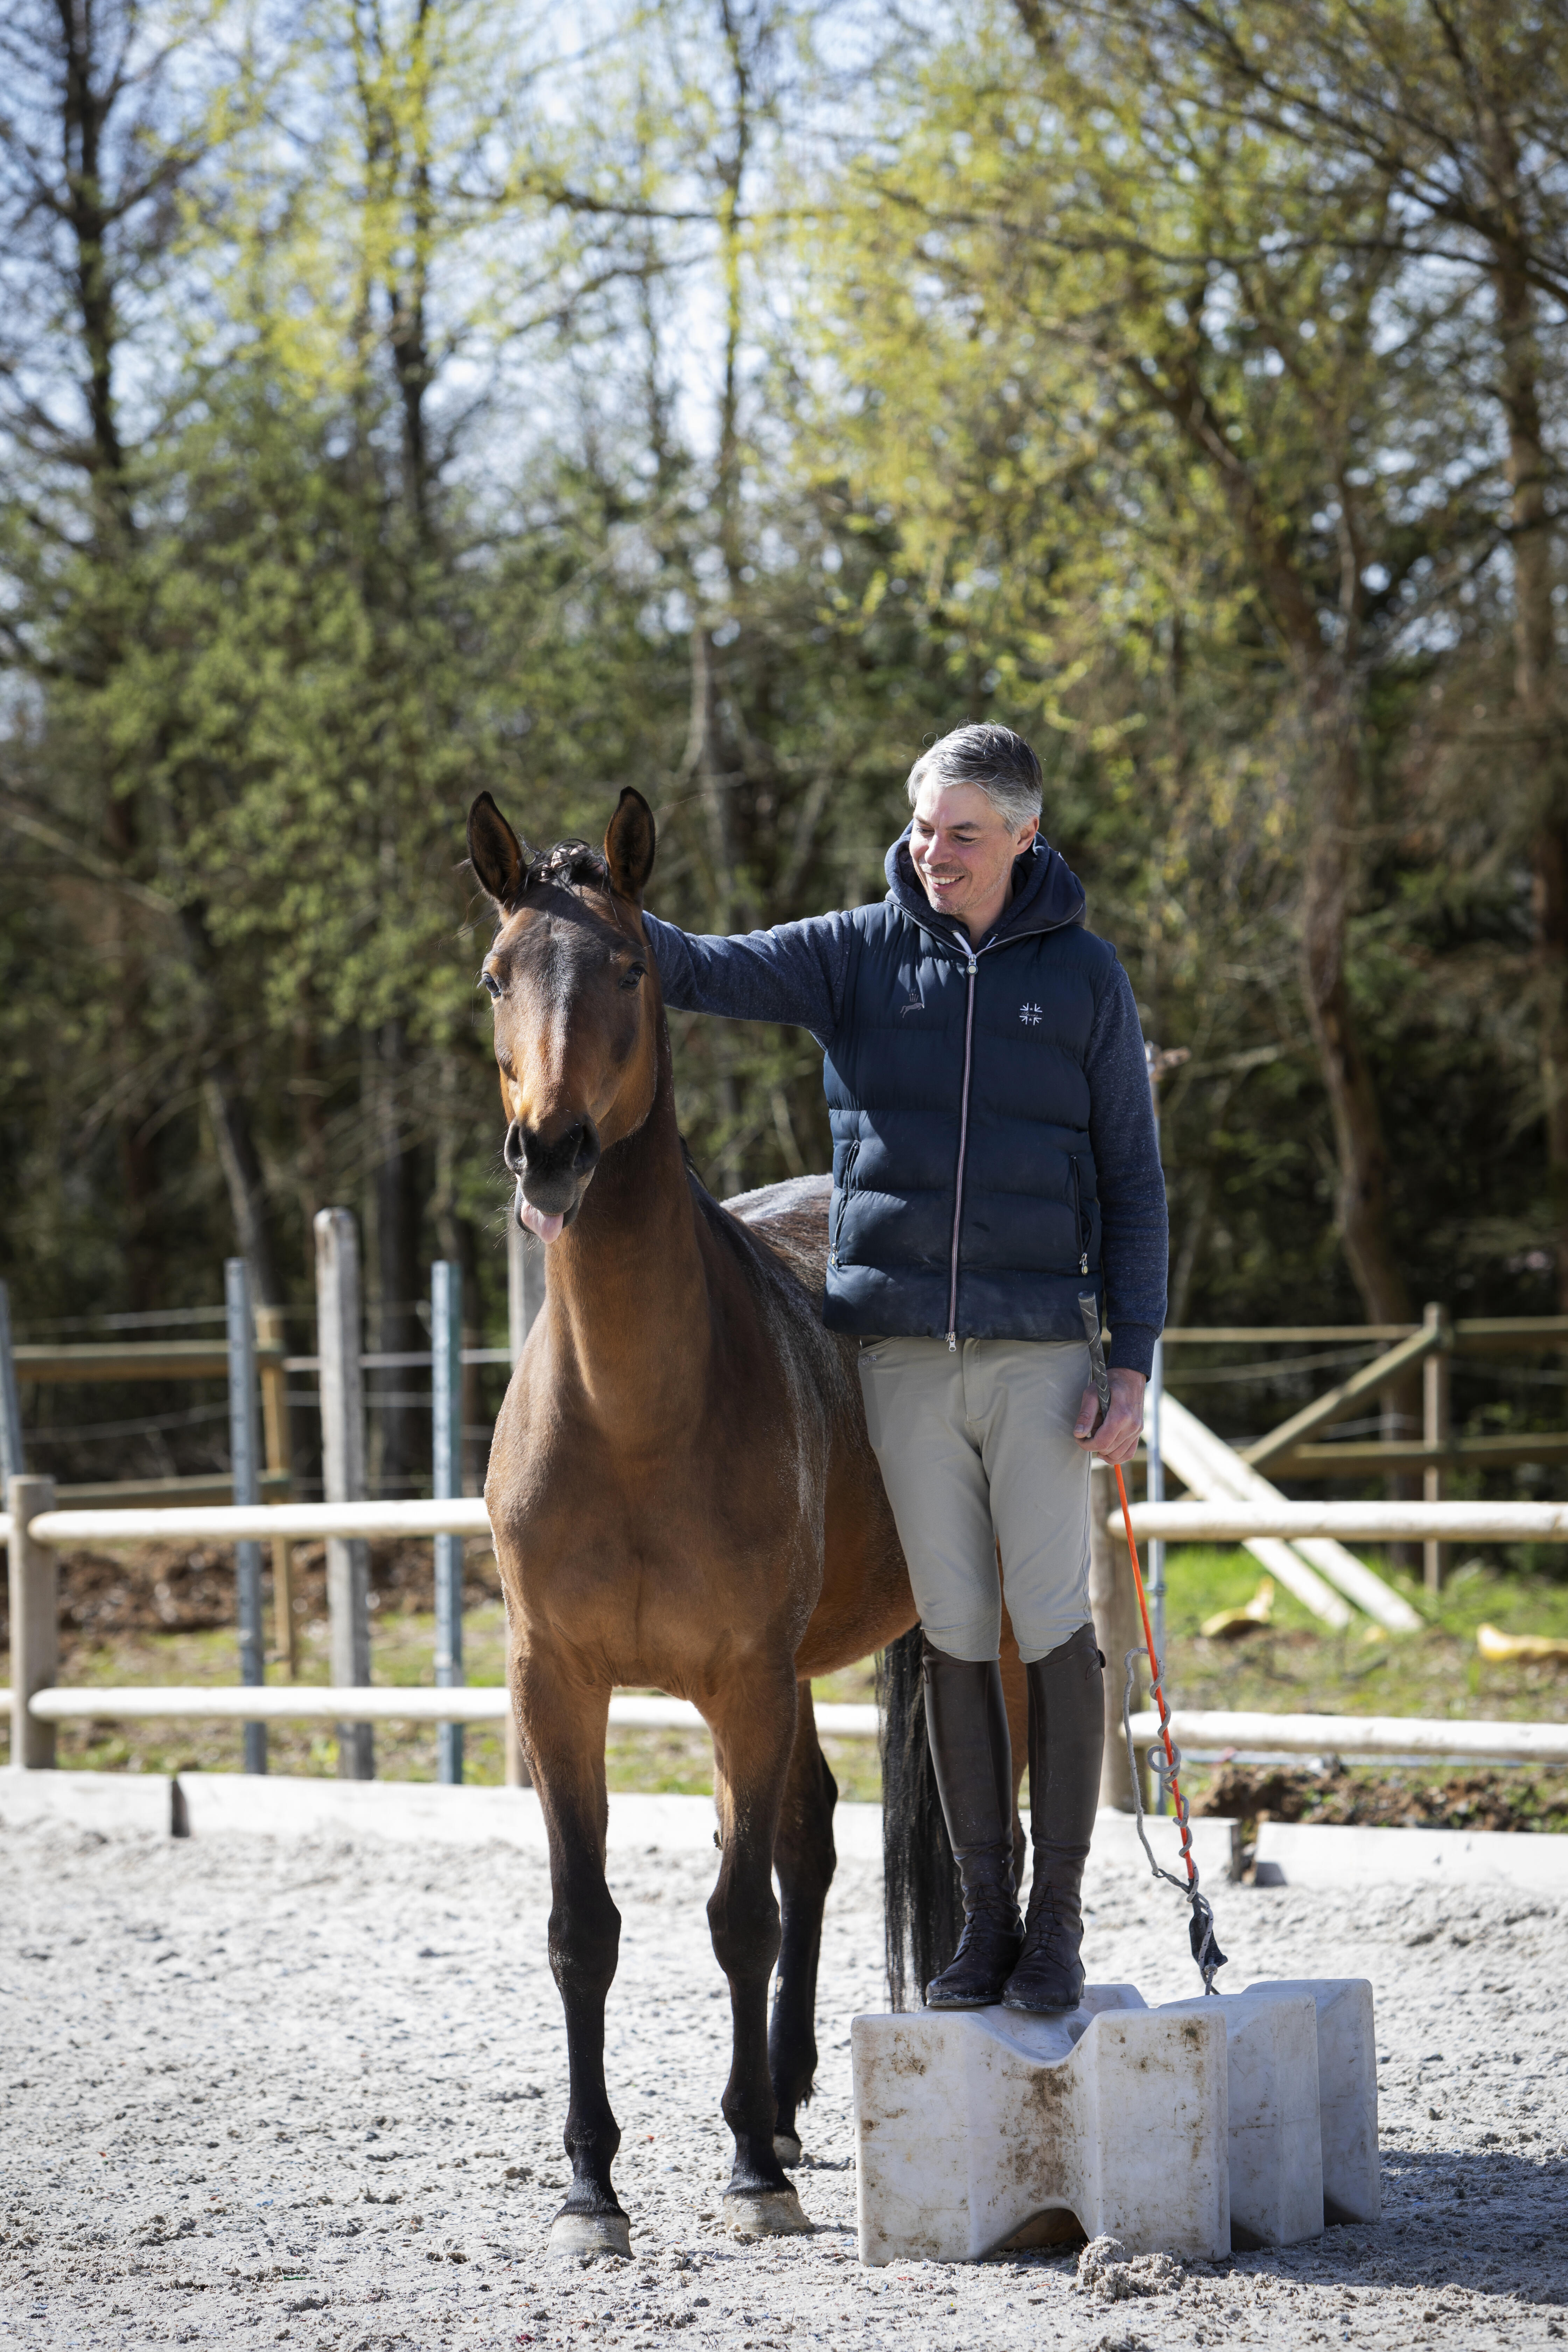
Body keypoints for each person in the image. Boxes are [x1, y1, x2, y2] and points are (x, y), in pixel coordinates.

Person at [640, 723, 1166, 2013]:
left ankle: (1057, 1920)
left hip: (1042, 1354)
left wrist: (1133, 1363)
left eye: (963, 834)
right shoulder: (855, 952)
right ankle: (984, 1917)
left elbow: (1134, 1182)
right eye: (924, 828)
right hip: (902, 1361)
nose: (934, 853)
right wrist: (583, 906)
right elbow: (698, 966)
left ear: (1024, 837)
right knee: (950, 1632)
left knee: (1051, 1625)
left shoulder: (1086, 979)